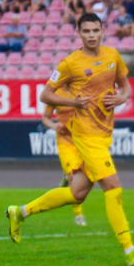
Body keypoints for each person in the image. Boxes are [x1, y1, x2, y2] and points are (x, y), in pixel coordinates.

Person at [5, 13, 134, 266]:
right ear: (78, 33)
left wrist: (122, 98)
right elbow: (45, 94)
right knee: (113, 186)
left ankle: (20, 212)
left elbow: (126, 86)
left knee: (77, 194)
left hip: (103, 134)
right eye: (86, 31)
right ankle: (130, 250)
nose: (91, 35)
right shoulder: (70, 64)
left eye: (95, 30)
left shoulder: (112, 56)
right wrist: (71, 102)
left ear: (102, 30)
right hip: (85, 136)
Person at [41, 89, 87, 227]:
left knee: (85, 176)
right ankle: (78, 215)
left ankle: (66, 178)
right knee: (74, 178)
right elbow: (45, 118)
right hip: (65, 142)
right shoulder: (54, 93)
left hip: (81, 140)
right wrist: (54, 125)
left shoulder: (80, 88)